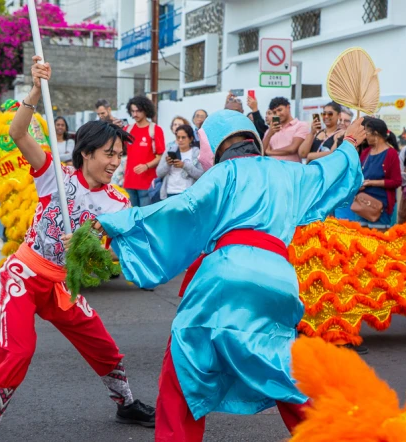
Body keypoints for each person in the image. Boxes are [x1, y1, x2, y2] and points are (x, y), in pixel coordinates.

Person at [91, 109, 367, 441]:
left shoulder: (224, 174)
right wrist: (349, 141)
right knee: (284, 368)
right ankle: (342, 432)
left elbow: (181, 208)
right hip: (279, 278)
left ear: (215, 145)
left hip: (226, 273)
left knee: (184, 359)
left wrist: (115, 222)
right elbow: (331, 170)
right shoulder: (290, 172)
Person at [0, 56, 155, 442]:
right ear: (87, 152)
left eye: (119, 155)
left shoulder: (119, 202)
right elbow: (19, 134)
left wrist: (88, 249)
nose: (115, 162)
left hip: (63, 286)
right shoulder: (56, 175)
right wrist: (35, 93)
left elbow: (110, 259)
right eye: (109, 154)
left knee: (106, 347)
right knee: (18, 354)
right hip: (23, 275)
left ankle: (126, 403)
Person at [335, 118, 402, 226]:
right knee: (361, 238)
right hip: (361, 205)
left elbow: (396, 181)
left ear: (375, 134)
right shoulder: (366, 152)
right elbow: (358, 174)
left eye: (366, 133)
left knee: (378, 238)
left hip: (380, 208)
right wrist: (358, 184)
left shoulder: (391, 154)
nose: (365, 137)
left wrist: (371, 183)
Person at [123, 95, 165, 207]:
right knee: (131, 216)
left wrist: (146, 166)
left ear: (146, 110)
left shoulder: (155, 129)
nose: (135, 114)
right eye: (132, 111)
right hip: (129, 181)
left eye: (138, 111)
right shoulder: (127, 129)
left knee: (144, 217)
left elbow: (161, 156)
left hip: (147, 182)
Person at [156, 124, 204, 199]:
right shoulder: (169, 150)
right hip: (170, 192)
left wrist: (184, 165)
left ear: (191, 139)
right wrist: (168, 164)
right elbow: (158, 173)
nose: (180, 140)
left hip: (188, 193)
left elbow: (201, 175)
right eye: (178, 137)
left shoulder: (196, 153)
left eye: (183, 137)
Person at [263, 97, 309, 162]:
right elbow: (262, 151)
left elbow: (292, 149)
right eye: (275, 112)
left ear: (288, 107)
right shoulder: (270, 130)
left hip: (292, 169)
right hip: (273, 169)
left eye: (280, 110)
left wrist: (270, 152)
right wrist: (269, 134)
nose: (278, 114)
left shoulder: (300, 125)